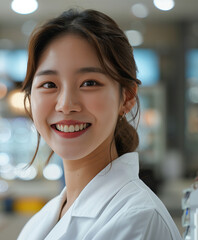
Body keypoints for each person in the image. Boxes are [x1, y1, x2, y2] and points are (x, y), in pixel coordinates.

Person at [17, 8, 182, 240]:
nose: (66, 104)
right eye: (48, 84)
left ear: (126, 97)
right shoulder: (42, 220)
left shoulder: (138, 221)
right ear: (30, 98)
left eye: (89, 82)